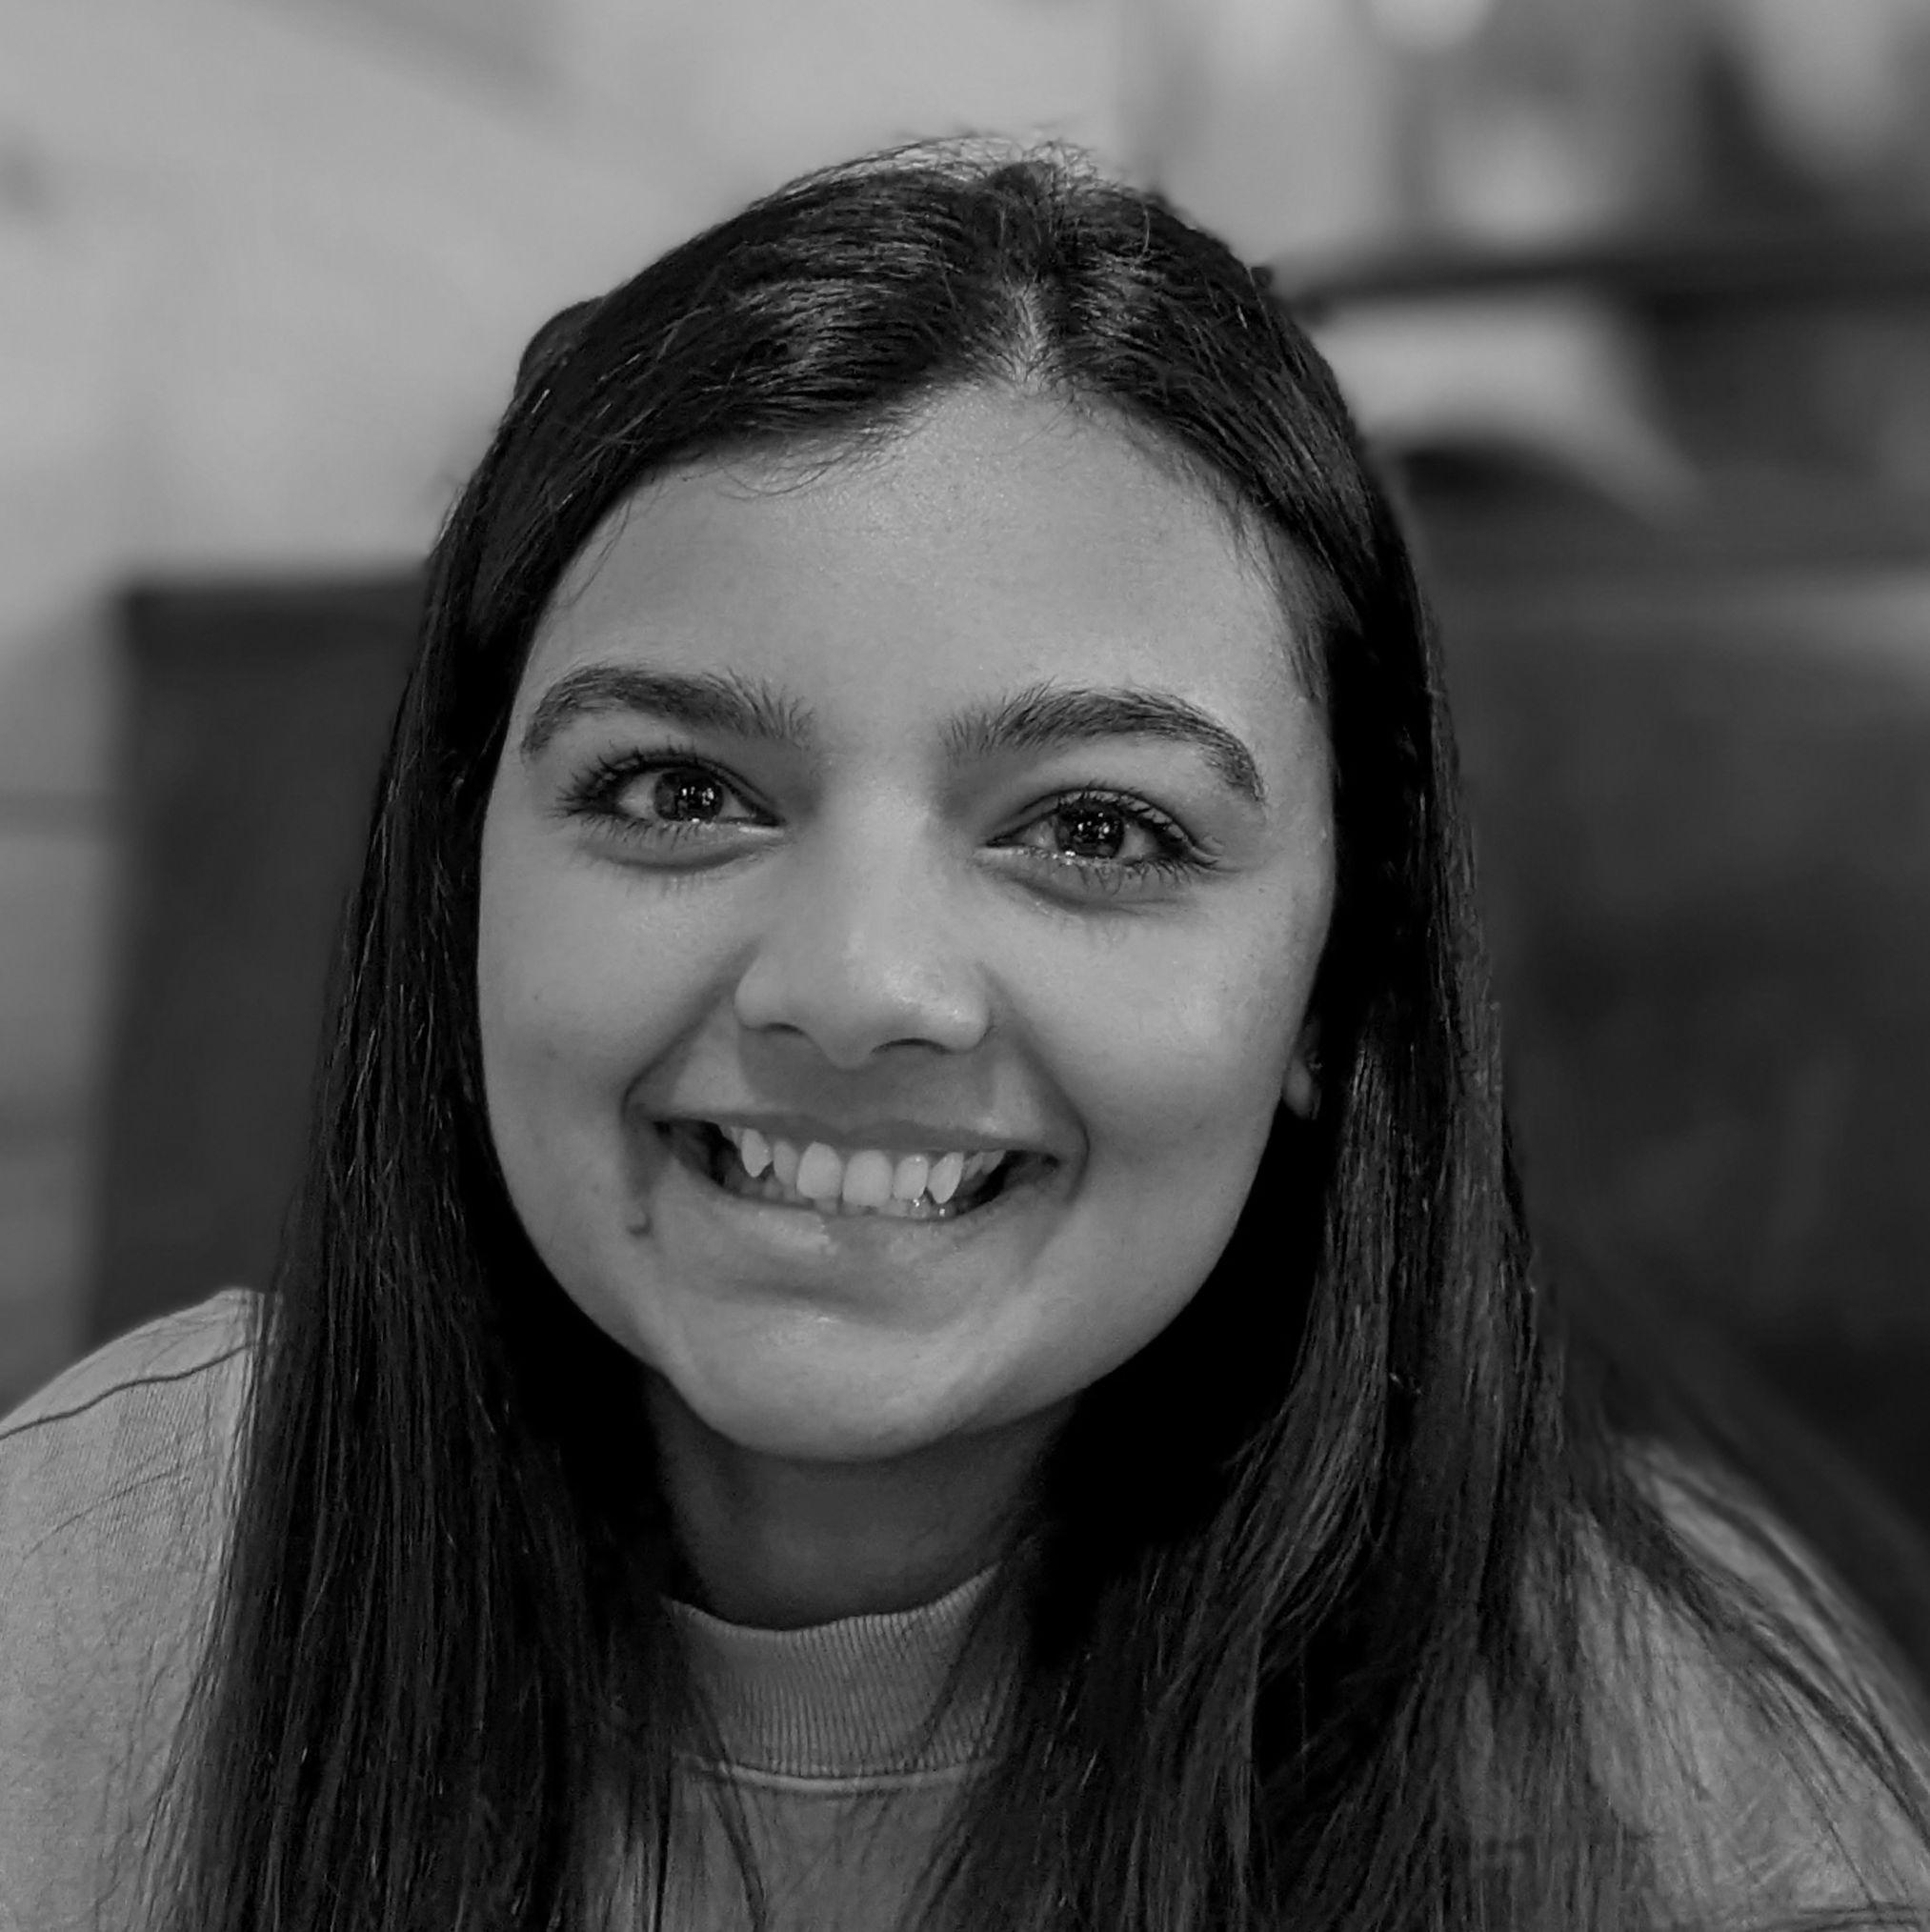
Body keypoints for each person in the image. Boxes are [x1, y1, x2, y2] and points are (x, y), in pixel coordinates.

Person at [5, 136, 1930, 1932]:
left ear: (1332, 990)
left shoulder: (1656, 1768)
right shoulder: (102, 1582)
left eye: (1095, 831)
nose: (856, 988)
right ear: (464, 881)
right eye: (678, 792)